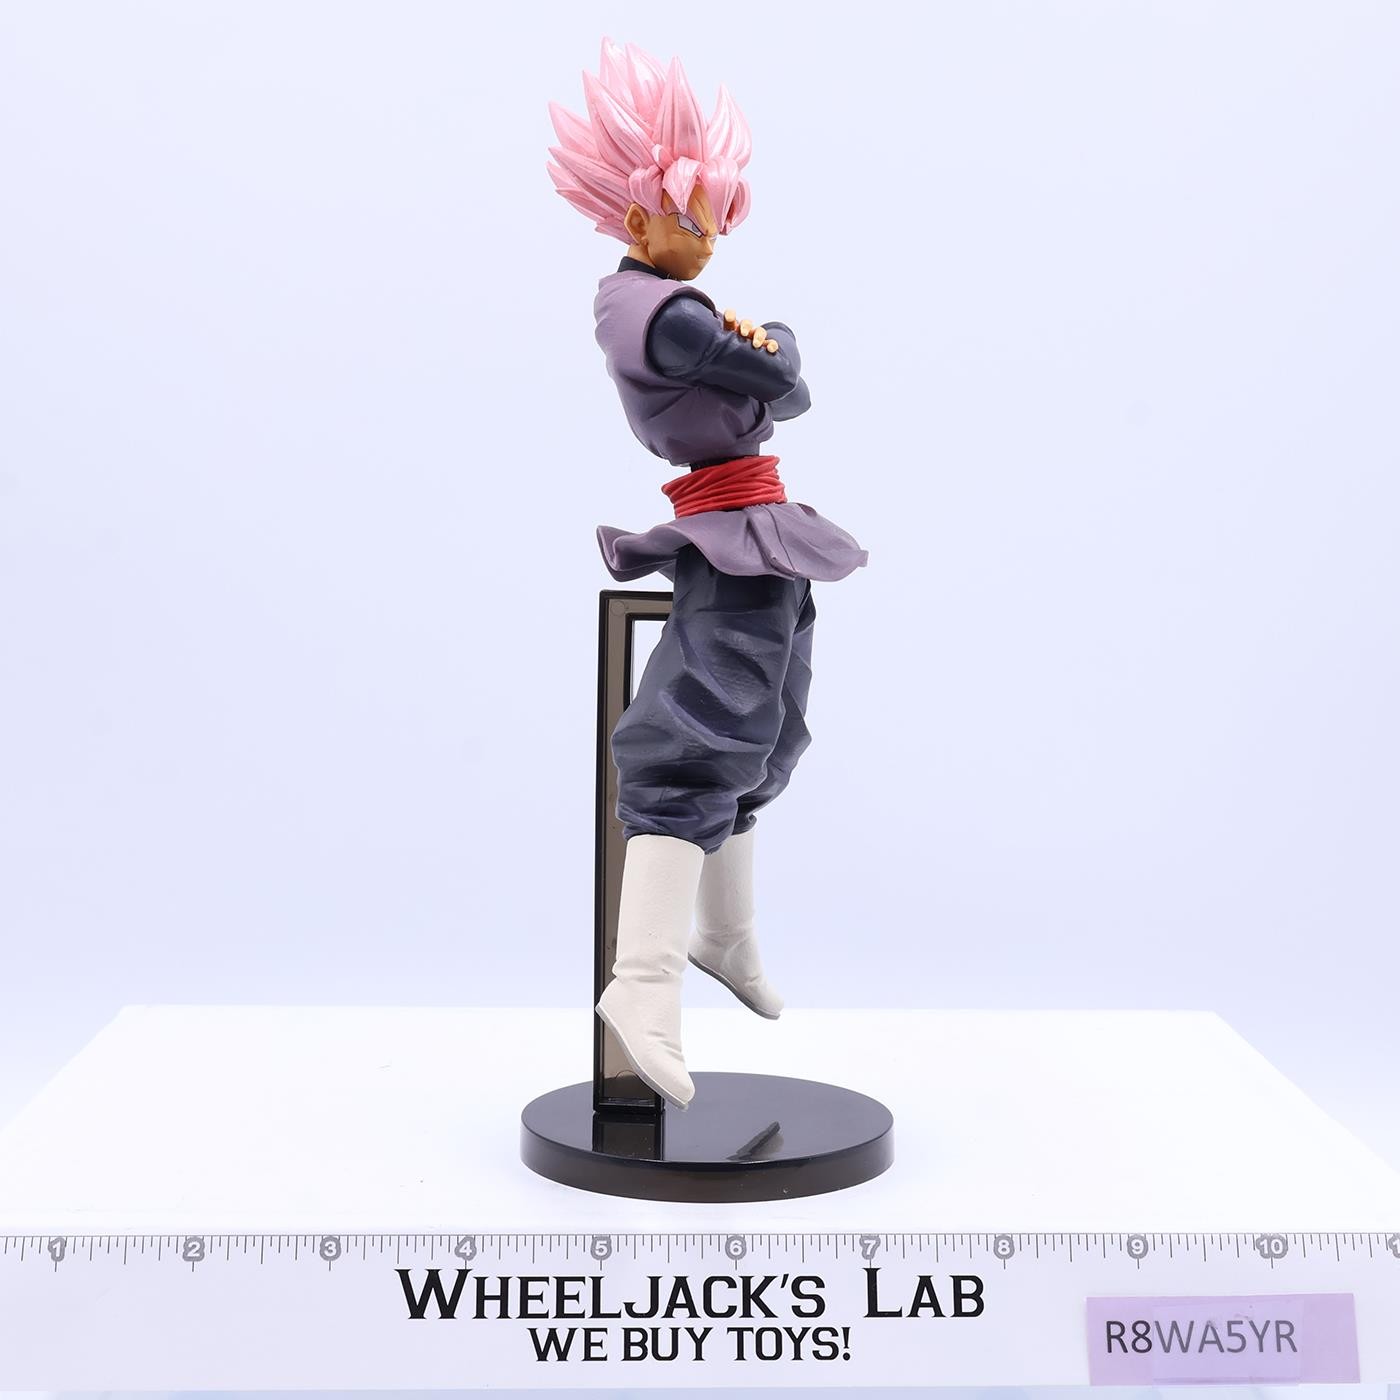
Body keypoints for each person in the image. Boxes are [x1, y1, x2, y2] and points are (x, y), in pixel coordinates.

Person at [547, 38, 867, 1108]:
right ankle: (639, 985)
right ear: (640, 215)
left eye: (720, 219)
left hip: (760, 524)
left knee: (771, 729)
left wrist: (768, 353)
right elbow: (784, 375)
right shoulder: (656, 312)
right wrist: (770, 342)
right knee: (699, 739)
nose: (712, 238)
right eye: (696, 219)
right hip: (725, 526)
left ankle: (723, 934)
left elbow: (784, 388)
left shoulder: (675, 305)